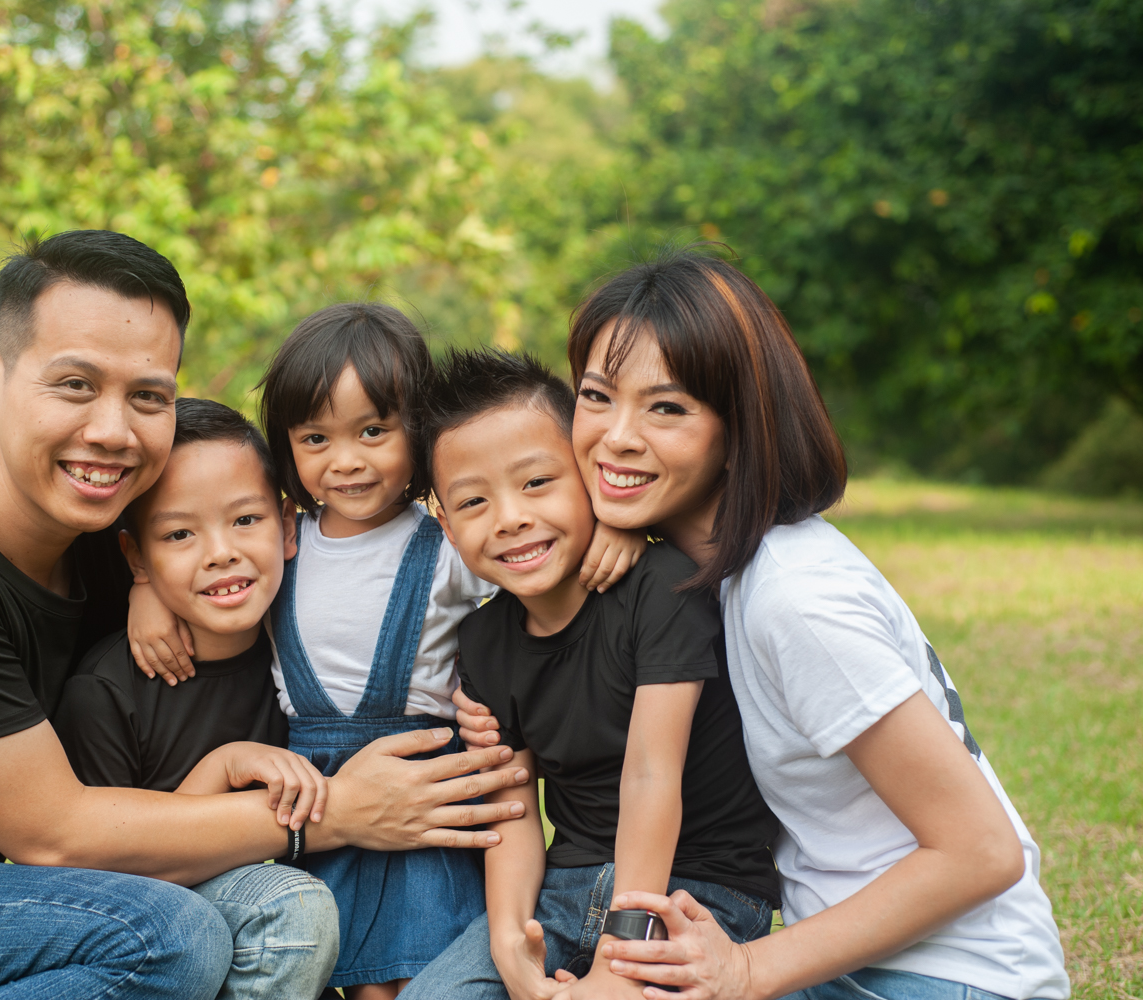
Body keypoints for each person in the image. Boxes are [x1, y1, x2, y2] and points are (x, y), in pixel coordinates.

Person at [0, 231, 532, 1000]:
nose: (113, 430)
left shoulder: (108, 525)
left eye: (147, 397)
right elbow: (56, 835)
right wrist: (335, 810)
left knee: (240, 918)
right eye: (74, 384)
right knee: (167, 936)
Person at [457, 247, 1070, 1000]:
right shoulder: (694, 567)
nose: (615, 436)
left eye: (667, 407)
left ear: (737, 426)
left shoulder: (795, 597)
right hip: (845, 966)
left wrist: (749, 968)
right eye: (595, 396)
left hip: (946, 976)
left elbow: (981, 852)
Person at [233, 303, 647, 999]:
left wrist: (619, 530)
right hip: (315, 787)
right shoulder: (277, 539)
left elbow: (537, 558)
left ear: (418, 436)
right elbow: (209, 566)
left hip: (426, 784)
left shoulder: (448, 538)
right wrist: (150, 592)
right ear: (286, 448)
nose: (347, 461)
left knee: (401, 977)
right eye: (315, 438)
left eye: (373, 431)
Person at [402, 349, 780, 1000]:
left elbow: (649, 774)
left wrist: (621, 958)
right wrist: (507, 938)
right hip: (565, 888)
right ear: (445, 525)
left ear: (588, 476)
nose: (510, 517)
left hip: (695, 891)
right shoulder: (484, 639)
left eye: (536, 483)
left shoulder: (658, 589)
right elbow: (511, 802)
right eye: (472, 502)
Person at [53, 396, 336, 998]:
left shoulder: (312, 638)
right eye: (180, 534)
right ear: (137, 556)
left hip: (309, 919)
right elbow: (101, 887)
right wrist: (223, 767)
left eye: (245, 520)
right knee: (291, 909)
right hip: (163, 933)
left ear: (288, 525)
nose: (220, 552)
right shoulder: (105, 691)